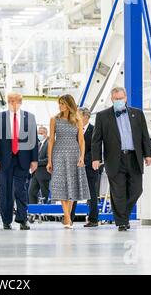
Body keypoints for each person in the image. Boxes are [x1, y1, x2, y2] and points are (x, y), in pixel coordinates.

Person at [92, 87, 151, 231]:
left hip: (134, 157)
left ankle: (123, 216)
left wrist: (148, 154)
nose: (119, 101)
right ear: (112, 99)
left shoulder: (137, 114)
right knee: (118, 193)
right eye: (116, 99)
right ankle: (122, 222)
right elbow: (96, 140)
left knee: (137, 190)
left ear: (125, 98)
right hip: (114, 159)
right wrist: (96, 158)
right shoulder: (102, 116)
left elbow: (144, 136)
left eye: (121, 98)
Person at [0, 92, 39, 230]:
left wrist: (34, 160)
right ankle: (6, 220)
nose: (13, 103)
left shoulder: (29, 117)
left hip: (23, 159)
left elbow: (34, 139)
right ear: (8, 102)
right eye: (11, 101)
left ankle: (22, 219)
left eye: (16, 101)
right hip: (4, 160)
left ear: (21, 102)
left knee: (21, 190)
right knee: (5, 191)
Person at [47, 94, 90, 229]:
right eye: (59, 103)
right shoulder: (54, 119)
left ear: (69, 105)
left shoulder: (78, 120)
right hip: (59, 153)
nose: (60, 106)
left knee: (72, 185)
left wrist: (82, 157)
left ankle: (67, 217)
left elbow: (82, 141)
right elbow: (51, 140)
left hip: (74, 153)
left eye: (63, 103)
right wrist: (49, 160)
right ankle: (67, 216)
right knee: (61, 184)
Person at [70, 107, 100, 227]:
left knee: (91, 194)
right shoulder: (74, 130)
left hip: (89, 167)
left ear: (86, 117)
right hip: (75, 166)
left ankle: (93, 219)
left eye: (78, 116)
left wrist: (83, 161)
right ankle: (69, 218)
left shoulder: (94, 130)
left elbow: (95, 149)